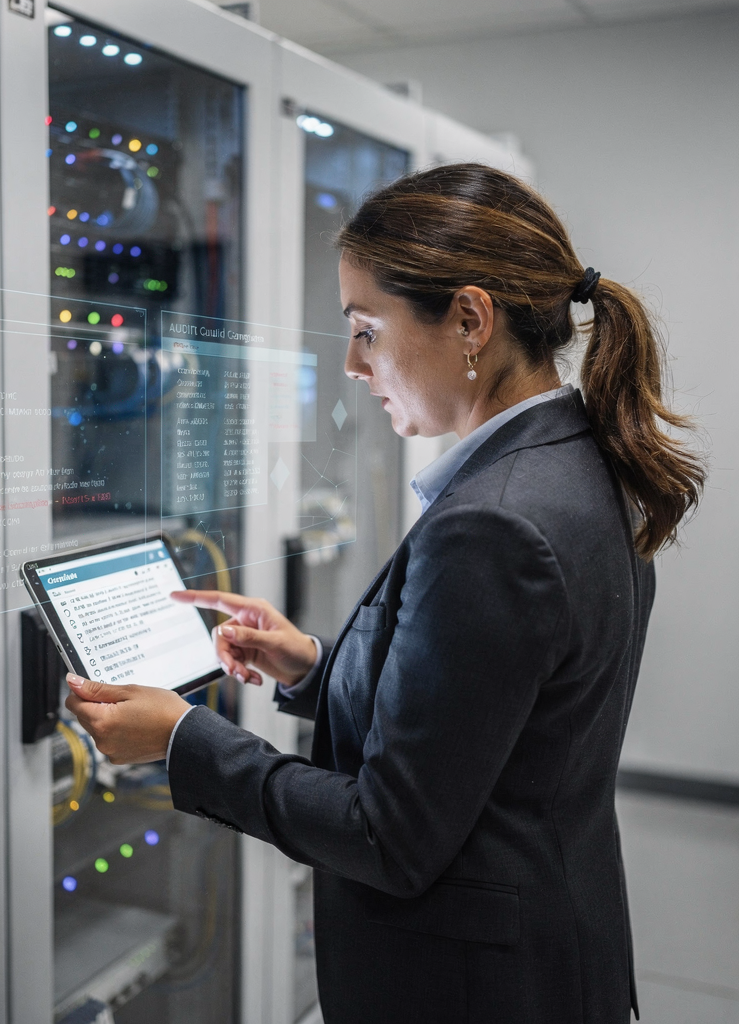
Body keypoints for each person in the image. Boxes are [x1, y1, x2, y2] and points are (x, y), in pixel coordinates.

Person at [65, 164, 704, 1022]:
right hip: (548, 950)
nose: (353, 365)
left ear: (470, 320)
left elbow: (386, 834)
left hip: (473, 990)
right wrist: (312, 666)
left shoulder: (495, 523)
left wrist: (183, 740)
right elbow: (493, 718)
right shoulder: (579, 461)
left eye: (367, 330)